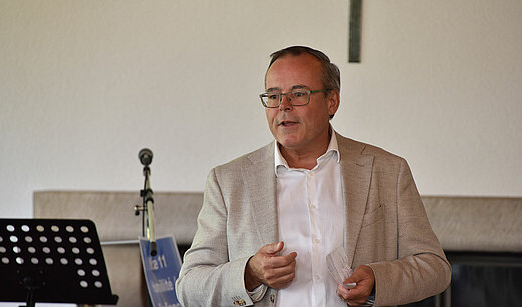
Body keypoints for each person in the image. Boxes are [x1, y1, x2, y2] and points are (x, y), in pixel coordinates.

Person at [175, 46, 451, 307]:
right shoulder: (228, 181)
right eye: (273, 95)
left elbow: (434, 268)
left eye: (298, 94)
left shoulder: (387, 171)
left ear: (332, 101)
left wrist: (378, 279)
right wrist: (249, 273)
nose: (283, 105)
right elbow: (189, 285)